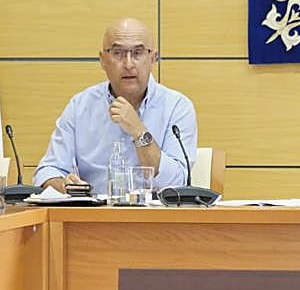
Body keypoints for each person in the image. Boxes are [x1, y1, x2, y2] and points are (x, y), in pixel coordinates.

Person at [33, 18, 197, 194]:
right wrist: (64, 186)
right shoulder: (80, 106)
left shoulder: (177, 107)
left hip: (156, 218)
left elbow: (178, 181)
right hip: (94, 217)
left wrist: (139, 131)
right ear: (103, 60)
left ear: (153, 58)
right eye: (118, 53)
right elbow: (47, 171)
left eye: (137, 53)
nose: (128, 64)